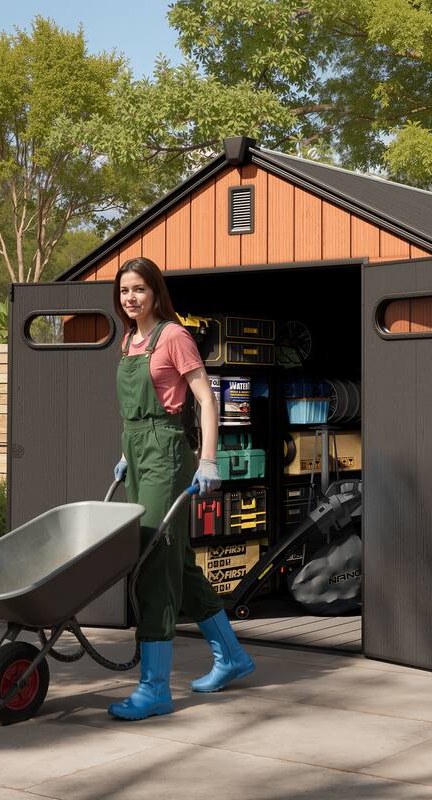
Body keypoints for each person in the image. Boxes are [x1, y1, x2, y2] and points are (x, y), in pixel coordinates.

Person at [108, 256, 255, 721]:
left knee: (152, 561)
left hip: (168, 452)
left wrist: (208, 459)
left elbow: (206, 398)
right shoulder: (130, 340)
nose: (131, 298)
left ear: (155, 292)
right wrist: (128, 455)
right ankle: (230, 656)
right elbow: (134, 412)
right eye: (125, 290)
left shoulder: (173, 336)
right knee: (174, 559)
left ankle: (154, 689)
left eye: (139, 290)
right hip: (139, 453)